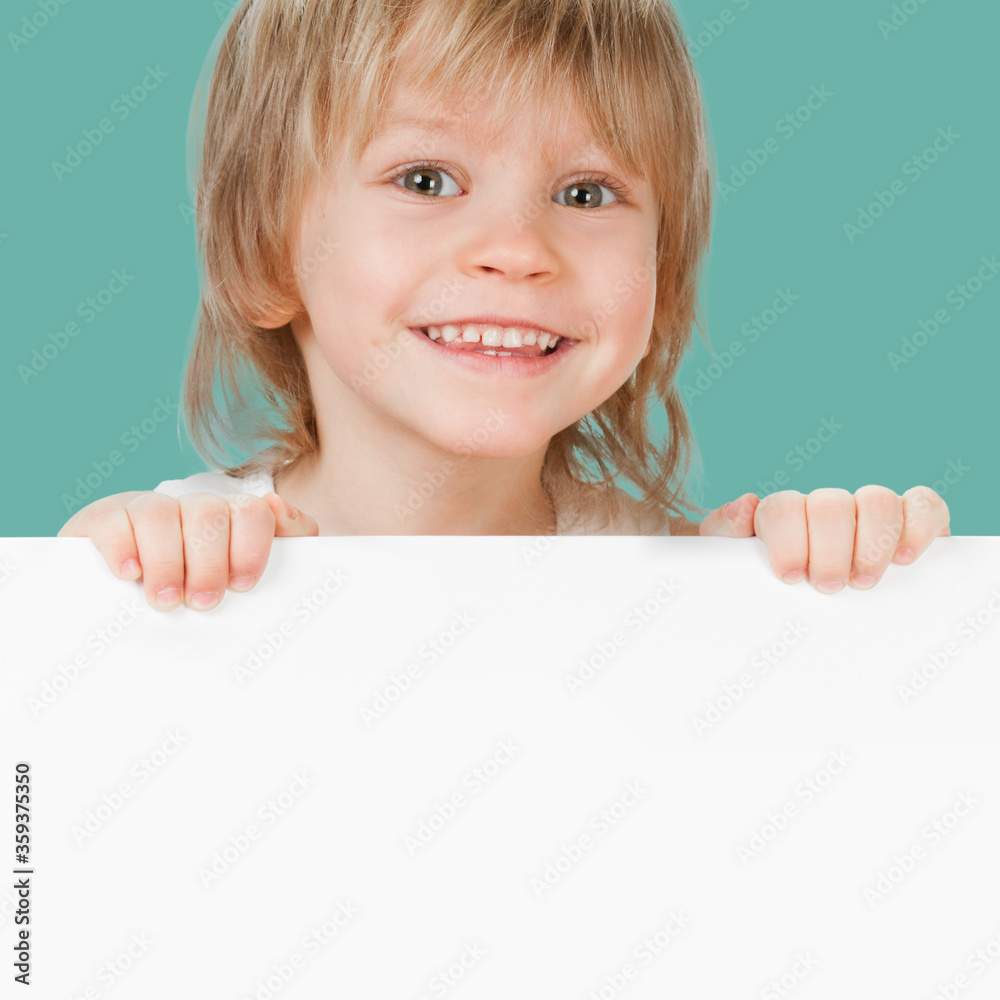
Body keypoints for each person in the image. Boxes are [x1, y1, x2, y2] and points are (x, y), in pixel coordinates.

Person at [58, 0, 950, 612]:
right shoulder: (180, 555)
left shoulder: (699, 583)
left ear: (661, 275)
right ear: (265, 249)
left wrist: (845, 576)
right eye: (426, 179)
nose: (519, 249)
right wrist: (89, 579)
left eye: (588, 194)